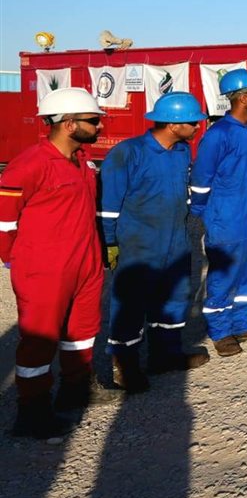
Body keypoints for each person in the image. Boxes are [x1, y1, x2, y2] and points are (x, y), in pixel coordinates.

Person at [2, 88, 120, 439]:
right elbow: (4, 223)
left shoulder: (83, 162)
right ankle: (32, 410)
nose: (99, 126)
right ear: (68, 124)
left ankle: (76, 389)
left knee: (83, 330)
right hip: (44, 268)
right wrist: (17, 259)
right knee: (40, 340)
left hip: (85, 262)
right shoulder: (30, 164)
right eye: (93, 120)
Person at [102, 92, 209, 394]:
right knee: (131, 303)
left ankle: (165, 356)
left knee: (174, 297)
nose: (197, 127)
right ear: (174, 125)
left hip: (176, 239)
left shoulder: (181, 151)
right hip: (139, 243)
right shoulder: (128, 153)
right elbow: (109, 206)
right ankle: (125, 366)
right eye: (193, 122)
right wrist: (109, 241)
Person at [190, 68, 247, 357]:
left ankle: (243, 323)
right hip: (228, 217)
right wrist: (204, 213)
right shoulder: (219, 135)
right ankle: (220, 330)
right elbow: (201, 178)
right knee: (225, 273)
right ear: (241, 98)